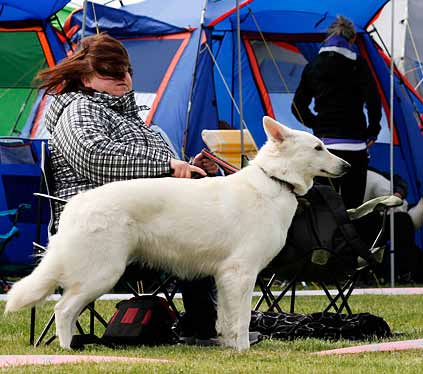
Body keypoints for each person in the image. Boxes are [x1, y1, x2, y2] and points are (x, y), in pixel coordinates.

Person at [35, 33, 218, 344]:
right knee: (200, 237)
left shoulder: (129, 118)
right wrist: (168, 166)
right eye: (110, 71)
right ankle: (205, 327)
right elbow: (95, 156)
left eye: (126, 70)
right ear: (86, 77)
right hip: (97, 226)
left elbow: (146, 170)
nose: (123, 77)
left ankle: (207, 325)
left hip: (138, 221)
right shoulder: (79, 109)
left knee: (206, 230)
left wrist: (190, 165)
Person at [291, 15, 382, 209]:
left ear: (327, 38)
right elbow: (374, 101)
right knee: (353, 208)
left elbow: (297, 106)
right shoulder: (358, 64)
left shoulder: (313, 65)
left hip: (325, 149)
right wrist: (372, 131)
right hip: (355, 148)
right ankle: (351, 239)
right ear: (352, 40)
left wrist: (316, 125)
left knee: (323, 208)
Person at [357, 167, 423, 283]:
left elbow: (398, 191)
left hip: (395, 215)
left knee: (401, 222)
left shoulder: (377, 177)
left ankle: (405, 272)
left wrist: (399, 193)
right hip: (376, 219)